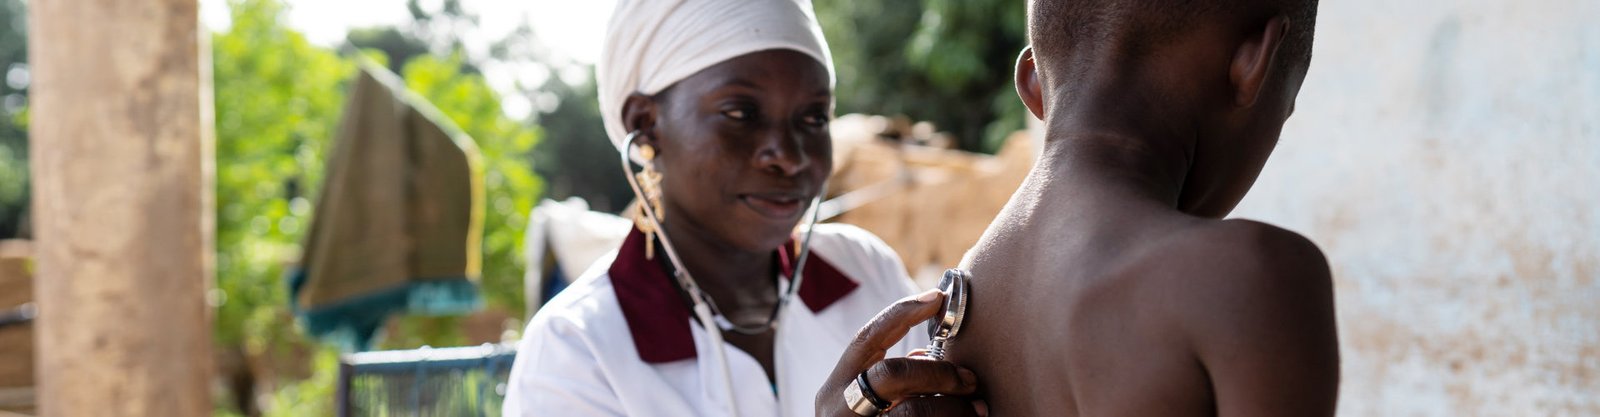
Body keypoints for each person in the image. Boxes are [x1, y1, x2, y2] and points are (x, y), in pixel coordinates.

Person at [817, 0, 1339, 415]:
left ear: (1033, 84)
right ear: (1254, 62)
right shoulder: (1248, 277)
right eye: (1285, 108)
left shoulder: (959, 309)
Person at [501, 1, 982, 416]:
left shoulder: (862, 270)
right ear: (645, 125)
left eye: (813, 118)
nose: (789, 155)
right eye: (741, 114)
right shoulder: (578, 348)